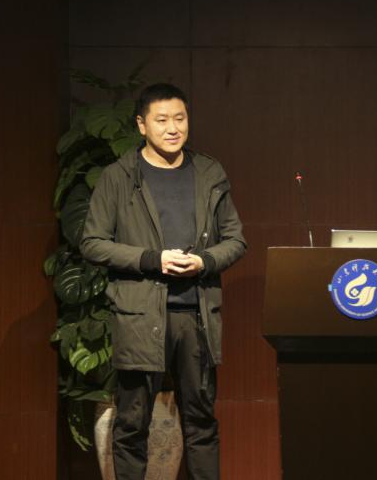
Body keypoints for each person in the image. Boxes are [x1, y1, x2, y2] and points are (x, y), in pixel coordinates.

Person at [80, 82, 247, 480]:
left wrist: (204, 261)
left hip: (197, 314)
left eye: (180, 118)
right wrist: (152, 260)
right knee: (132, 423)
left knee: (201, 421)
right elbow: (92, 243)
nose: (173, 128)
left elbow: (236, 240)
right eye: (162, 120)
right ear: (142, 125)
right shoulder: (119, 176)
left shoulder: (209, 172)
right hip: (140, 316)